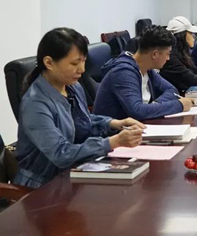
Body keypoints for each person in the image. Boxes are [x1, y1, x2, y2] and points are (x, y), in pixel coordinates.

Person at [14, 28, 144, 189]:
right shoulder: (35, 103)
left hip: (74, 173)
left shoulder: (72, 87)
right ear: (49, 63)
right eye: (75, 63)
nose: (82, 69)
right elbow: (60, 153)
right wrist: (112, 142)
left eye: (83, 61)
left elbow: (82, 121)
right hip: (42, 187)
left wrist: (113, 123)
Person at [94, 26, 193, 120]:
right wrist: (179, 105)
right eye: (167, 54)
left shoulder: (147, 69)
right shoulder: (123, 72)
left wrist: (154, 106)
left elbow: (172, 90)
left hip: (138, 127)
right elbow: (137, 111)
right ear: (154, 54)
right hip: (114, 131)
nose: (168, 58)